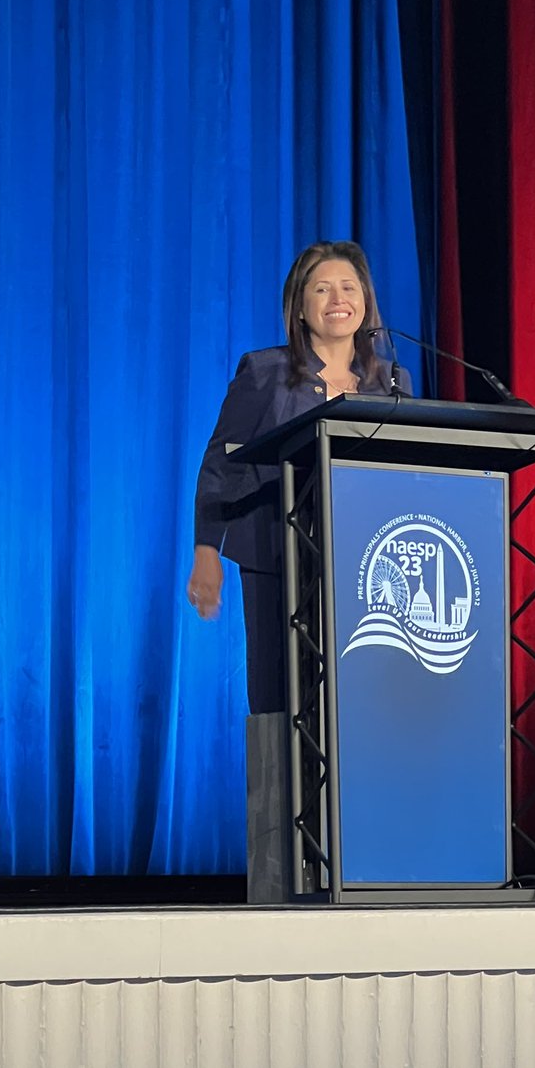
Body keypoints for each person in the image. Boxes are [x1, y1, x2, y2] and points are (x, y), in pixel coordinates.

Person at [187, 240, 389, 714]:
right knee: (282, 697)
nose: (338, 299)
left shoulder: (389, 382)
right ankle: (280, 767)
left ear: (365, 300)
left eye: (348, 287)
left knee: (354, 703)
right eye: (322, 289)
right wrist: (206, 550)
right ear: (299, 308)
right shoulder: (266, 372)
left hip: (364, 563)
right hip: (277, 553)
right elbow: (221, 462)